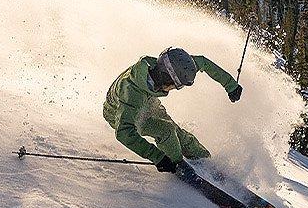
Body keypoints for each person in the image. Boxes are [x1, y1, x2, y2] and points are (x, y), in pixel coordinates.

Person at [102, 47, 242, 173]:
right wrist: (158, 158)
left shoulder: (174, 64)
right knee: (166, 130)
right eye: (176, 85)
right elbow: (124, 132)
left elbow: (203, 62)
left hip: (149, 103)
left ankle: (203, 158)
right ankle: (178, 164)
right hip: (118, 114)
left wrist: (230, 85)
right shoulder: (132, 92)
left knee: (179, 134)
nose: (175, 88)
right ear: (166, 78)